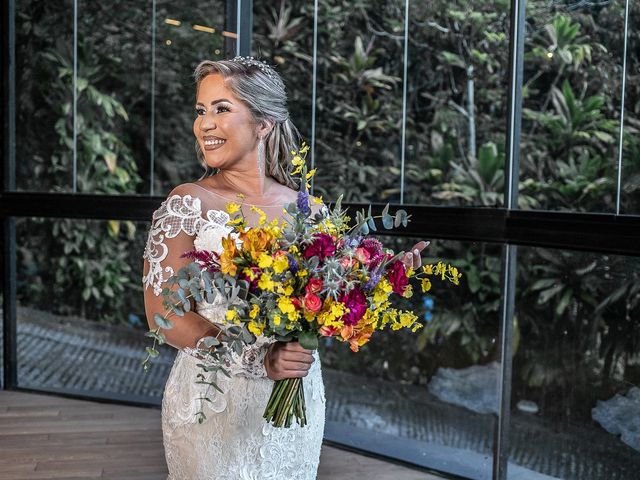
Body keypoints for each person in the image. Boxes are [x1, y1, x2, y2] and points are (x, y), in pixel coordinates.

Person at [142, 57, 426, 479]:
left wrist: (375, 281)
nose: (205, 124)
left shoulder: (310, 211)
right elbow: (163, 315)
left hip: (297, 402)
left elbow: (326, 303)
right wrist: (260, 359)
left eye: (222, 109)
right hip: (214, 404)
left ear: (263, 123)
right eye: (201, 111)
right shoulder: (189, 202)